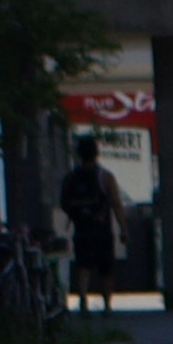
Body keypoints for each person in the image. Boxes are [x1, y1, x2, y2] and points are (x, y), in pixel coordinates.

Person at [59, 134, 124, 315]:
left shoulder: (71, 178)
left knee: (83, 266)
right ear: (96, 154)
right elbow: (116, 204)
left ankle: (83, 302)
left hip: (81, 228)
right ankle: (107, 305)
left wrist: (77, 214)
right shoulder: (105, 177)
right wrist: (124, 229)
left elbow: (64, 203)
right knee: (106, 268)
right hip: (102, 230)